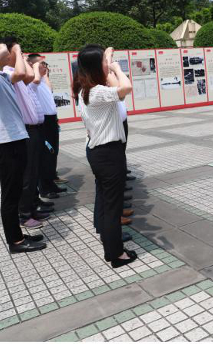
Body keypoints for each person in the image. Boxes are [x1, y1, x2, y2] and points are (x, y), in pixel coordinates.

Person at [0, 34, 46, 254]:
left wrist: (16, 50)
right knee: (10, 196)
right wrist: (5, 47)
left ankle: (18, 235)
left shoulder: (2, 75)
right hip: (6, 144)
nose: (7, 54)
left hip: (16, 139)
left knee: (15, 193)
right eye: (2, 50)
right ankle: (15, 242)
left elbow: (22, 74)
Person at [73, 44, 136, 267]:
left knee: (104, 200)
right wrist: (116, 68)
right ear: (95, 66)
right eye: (103, 62)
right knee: (112, 207)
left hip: (99, 152)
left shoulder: (86, 89)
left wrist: (107, 62)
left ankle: (108, 239)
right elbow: (125, 87)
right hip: (108, 153)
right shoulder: (97, 92)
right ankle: (116, 254)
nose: (106, 65)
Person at [26, 54, 64, 199]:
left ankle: (50, 183)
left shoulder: (42, 80)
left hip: (51, 120)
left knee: (53, 152)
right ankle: (45, 188)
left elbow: (50, 89)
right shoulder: (31, 80)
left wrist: (45, 74)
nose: (45, 66)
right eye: (42, 64)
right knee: (45, 155)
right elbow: (35, 79)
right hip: (44, 122)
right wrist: (35, 68)